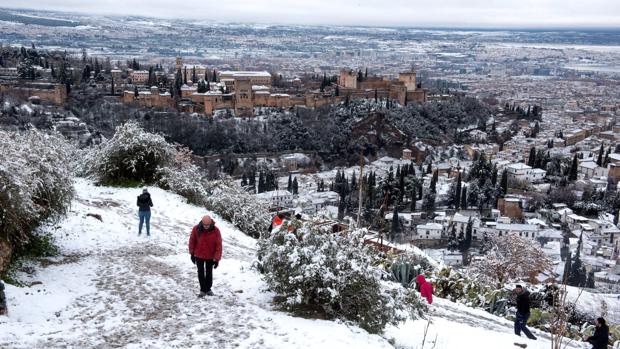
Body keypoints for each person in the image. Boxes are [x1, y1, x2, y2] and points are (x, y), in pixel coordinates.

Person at [188, 215, 222, 297]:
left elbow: (219, 245)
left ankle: (208, 289)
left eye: (208, 225)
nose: (206, 227)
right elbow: (192, 241)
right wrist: (192, 253)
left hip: (210, 255)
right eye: (204, 225)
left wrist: (217, 259)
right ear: (202, 223)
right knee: (200, 272)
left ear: (211, 223)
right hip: (199, 254)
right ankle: (203, 290)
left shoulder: (216, 230)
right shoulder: (196, 229)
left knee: (209, 272)